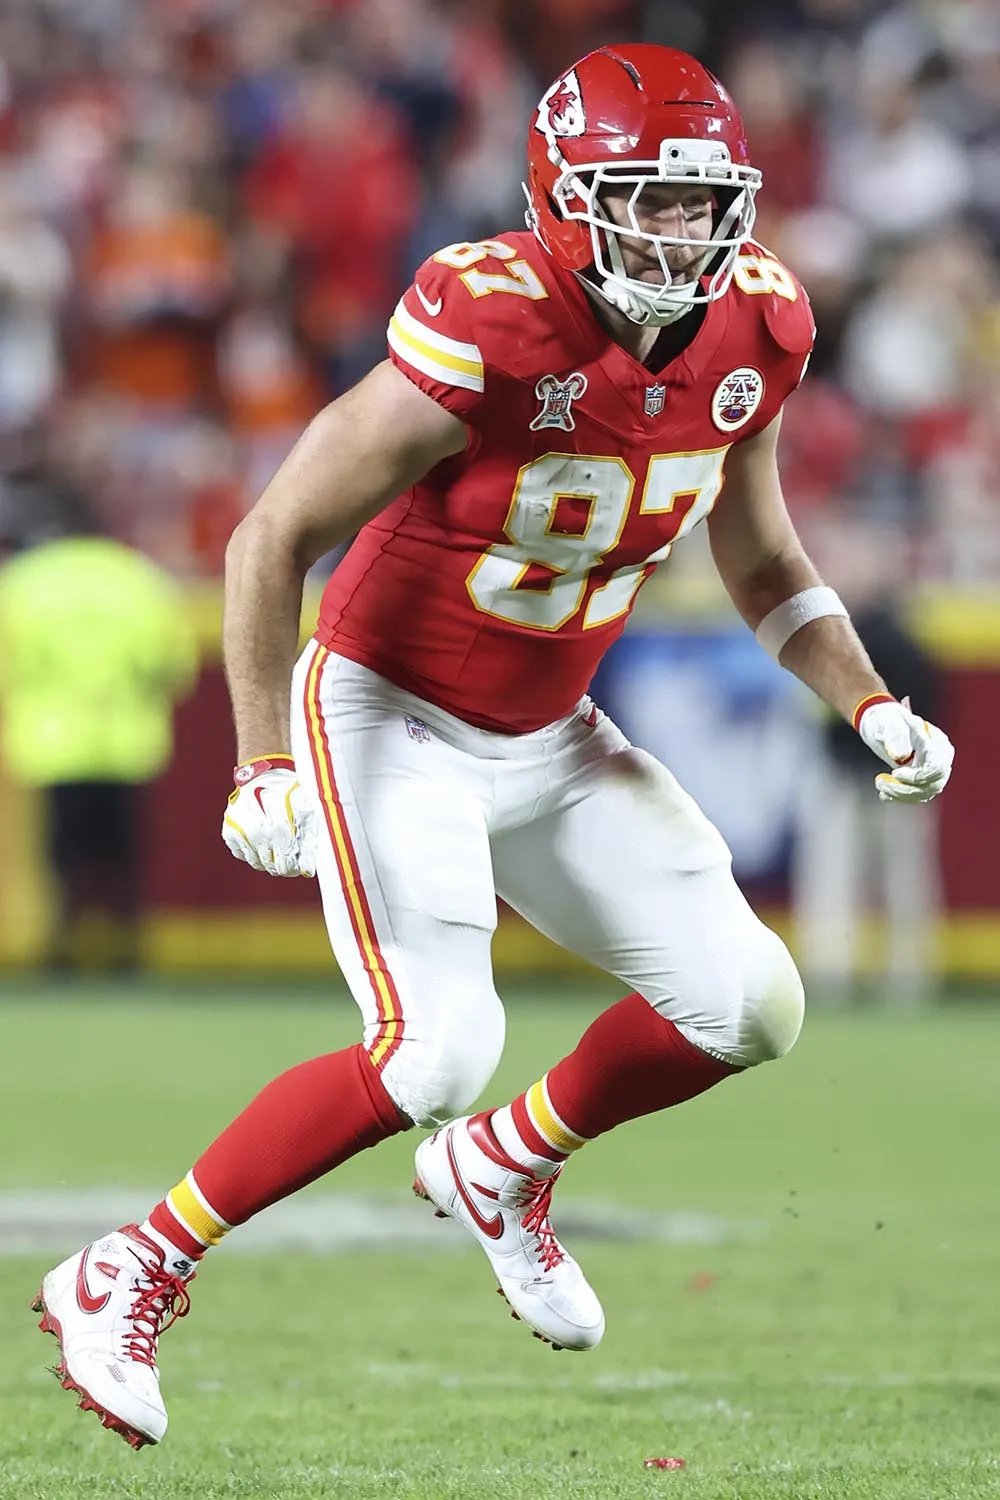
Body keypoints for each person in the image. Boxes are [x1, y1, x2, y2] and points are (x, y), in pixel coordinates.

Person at [33, 44, 954, 1449]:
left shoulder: (754, 325)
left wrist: (870, 700)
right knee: (436, 1047)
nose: (680, 233)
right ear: (564, 196)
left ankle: (505, 1166)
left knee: (752, 1005)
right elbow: (273, 535)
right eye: (644, 201)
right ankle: (130, 1266)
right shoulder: (494, 314)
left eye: (700, 202)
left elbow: (763, 555)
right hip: (389, 712)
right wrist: (263, 756)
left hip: (552, 730)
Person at [0, 484, 198, 972]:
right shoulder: (137, 579)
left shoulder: (24, 581)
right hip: (127, 741)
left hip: (52, 742)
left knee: (61, 856)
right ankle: (126, 951)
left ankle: (63, 951)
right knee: (123, 856)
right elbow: (171, 664)